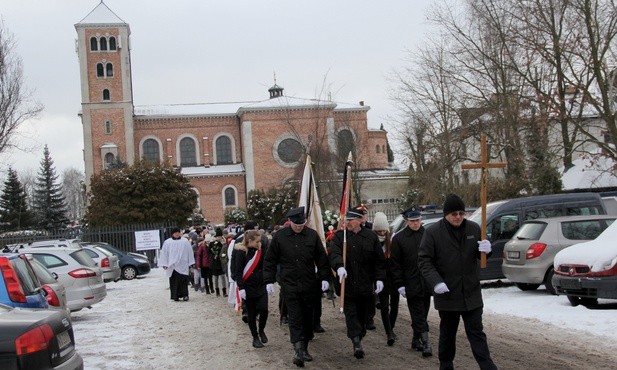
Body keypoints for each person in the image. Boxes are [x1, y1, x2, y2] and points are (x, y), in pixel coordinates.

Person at [418, 194, 498, 370]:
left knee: (477, 334)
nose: (458, 217)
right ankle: (446, 366)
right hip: (448, 295)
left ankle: (487, 366)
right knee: (448, 335)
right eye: (454, 213)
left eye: (461, 213)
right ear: (446, 214)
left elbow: (479, 255)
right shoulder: (433, 233)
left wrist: (487, 250)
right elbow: (424, 261)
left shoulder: (474, 229)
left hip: (471, 293)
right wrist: (436, 282)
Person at [263, 206, 331, 368]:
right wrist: (268, 280)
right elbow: (270, 260)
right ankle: (298, 350)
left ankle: (305, 347)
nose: (299, 227)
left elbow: (321, 258)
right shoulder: (280, 237)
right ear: (290, 222)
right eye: (296, 224)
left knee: (308, 317)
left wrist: (325, 278)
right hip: (289, 284)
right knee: (295, 317)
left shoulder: (312, 236)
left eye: (302, 224)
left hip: (309, 284)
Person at [329, 206, 386, 359]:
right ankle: (356, 342)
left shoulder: (370, 237)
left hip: (365, 285)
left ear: (360, 220)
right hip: (347, 285)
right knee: (351, 314)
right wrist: (339, 266)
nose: (347, 222)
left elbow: (379, 261)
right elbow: (334, 253)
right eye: (346, 219)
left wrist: (379, 278)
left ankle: (359, 336)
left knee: (363, 315)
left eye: (351, 219)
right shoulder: (340, 237)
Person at [391, 206, 432, 357]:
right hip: (410, 282)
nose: (416, 223)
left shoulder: (428, 234)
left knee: (424, 312)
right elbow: (395, 265)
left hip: (426, 281)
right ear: (406, 221)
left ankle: (416, 339)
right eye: (412, 221)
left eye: (418, 220)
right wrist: (399, 284)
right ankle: (426, 343)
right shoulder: (399, 239)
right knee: (418, 313)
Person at [234, 230, 269, 348]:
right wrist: (241, 288)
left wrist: (268, 281)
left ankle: (261, 330)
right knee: (252, 314)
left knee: (264, 309)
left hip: (261, 285)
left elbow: (265, 266)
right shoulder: (241, 252)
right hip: (248, 287)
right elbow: (238, 272)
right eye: (257, 241)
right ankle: (255, 337)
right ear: (249, 241)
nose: (259, 243)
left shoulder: (260, 251)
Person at [371, 211, 400, 347]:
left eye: (384, 230)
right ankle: (388, 332)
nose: (382, 233)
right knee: (384, 306)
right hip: (380, 277)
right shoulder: (372, 240)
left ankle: (392, 328)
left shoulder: (392, 240)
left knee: (394, 305)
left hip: (393, 277)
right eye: (379, 231)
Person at [158, 227, 195, 301]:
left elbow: (189, 252)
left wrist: (191, 262)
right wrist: (164, 264)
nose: (177, 234)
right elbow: (164, 253)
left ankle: (185, 295)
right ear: (172, 234)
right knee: (174, 281)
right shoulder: (167, 242)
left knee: (183, 281)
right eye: (175, 233)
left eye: (178, 232)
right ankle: (175, 295)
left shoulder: (185, 241)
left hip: (183, 264)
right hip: (172, 265)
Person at [208, 228, 228, 297]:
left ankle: (224, 291)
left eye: (220, 237)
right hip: (214, 262)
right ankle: (217, 291)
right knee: (215, 278)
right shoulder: (212, 244)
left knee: (223, 277)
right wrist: (213, 256)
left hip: (221, 263)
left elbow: (225, 252)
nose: (219, 238)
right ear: (215, 237)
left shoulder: (223, 244)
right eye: (218, 237)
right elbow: (209, 252)